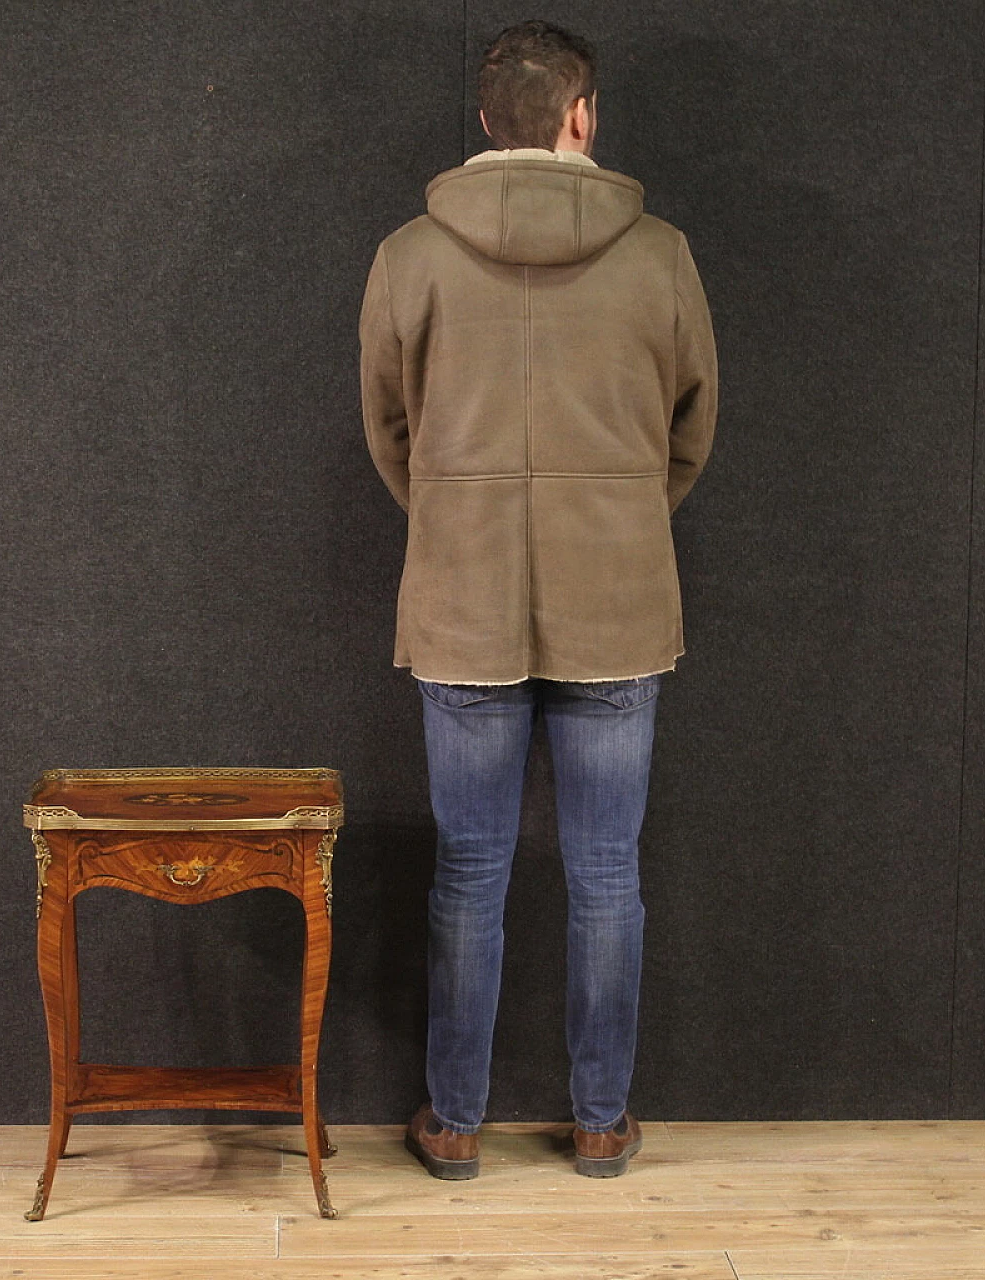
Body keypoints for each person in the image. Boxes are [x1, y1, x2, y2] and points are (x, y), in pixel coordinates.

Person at [358, 20, 718, 1180]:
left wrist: (454, 509)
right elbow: (689, 424)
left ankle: (454, 1122)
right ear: (580, 115)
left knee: (469, 867)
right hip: (615, 590)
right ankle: (601, 1121)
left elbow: (388, 427)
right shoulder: (657, 252)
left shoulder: (409, 254)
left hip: (460, 592)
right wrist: (618, 509)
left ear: (485, 121)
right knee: (605, 870)